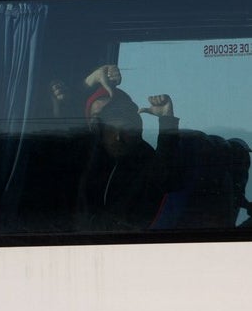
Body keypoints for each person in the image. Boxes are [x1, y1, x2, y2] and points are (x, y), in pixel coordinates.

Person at [76, 91, 181, 231]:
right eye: (111, 130)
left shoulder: (147, 163)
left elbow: (166, 176)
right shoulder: (87, 162)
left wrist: (167, 119)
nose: (118, 137)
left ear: (137, 132)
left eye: (126, 129)